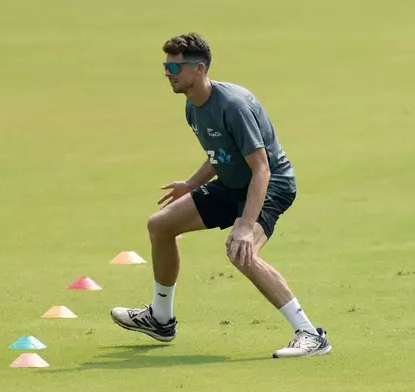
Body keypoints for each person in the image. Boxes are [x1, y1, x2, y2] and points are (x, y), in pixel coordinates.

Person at [110, 32, 332, 358]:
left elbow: (262, 168)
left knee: (241, 251)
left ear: (198, 69)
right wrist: (191, 183)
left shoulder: (233, 106)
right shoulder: (192, 106)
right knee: (160, 226)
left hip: (270, 185)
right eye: (165, 66)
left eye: (174, 68)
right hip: (232, 183)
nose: (167, 74)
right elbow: (221, 154)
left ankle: (311, 335)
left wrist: (245, 224)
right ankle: (160, 318)